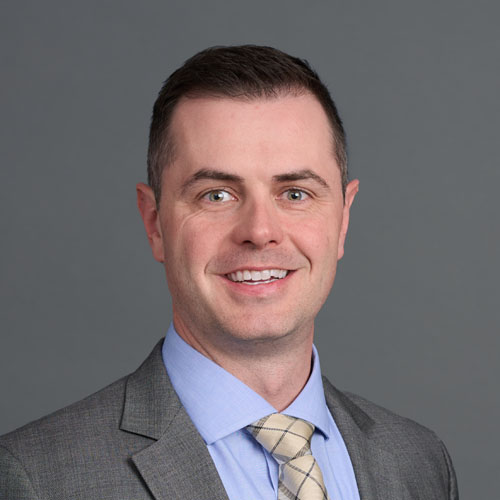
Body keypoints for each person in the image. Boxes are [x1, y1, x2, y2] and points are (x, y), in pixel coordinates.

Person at [0, 45, 458, 500]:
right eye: (216, 195)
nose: (260, 232)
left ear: (343, 220)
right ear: (154, 222)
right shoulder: (38, 479)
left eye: (295, 194)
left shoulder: (418, 462)